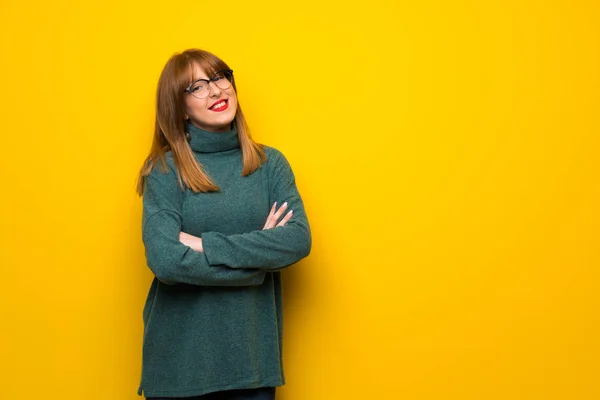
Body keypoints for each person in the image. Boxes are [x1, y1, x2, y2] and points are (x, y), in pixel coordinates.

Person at [135, 48, 312, 400]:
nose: (217, 90)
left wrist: (203, 244)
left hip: (251, 367)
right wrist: (255, 264)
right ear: (179, 107)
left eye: (219, 77)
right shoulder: (165, 171)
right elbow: (165, 259)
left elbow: (297, 240)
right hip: (178, 368)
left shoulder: (268, 164)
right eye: (197, 86)